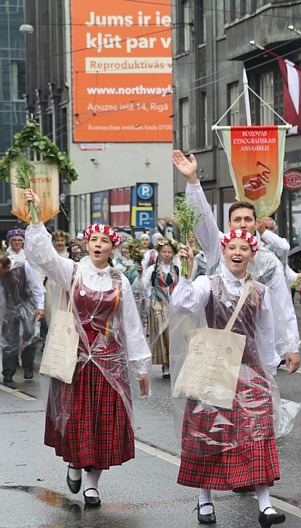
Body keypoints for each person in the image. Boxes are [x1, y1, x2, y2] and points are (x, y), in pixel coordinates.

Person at [23, 189, 151, 508]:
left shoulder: (120, 282)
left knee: (102, 425)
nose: (97, 245)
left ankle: (93, 484)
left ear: (112, 247)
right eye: (93, 240)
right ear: (86, 244)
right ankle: (74, 463)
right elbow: (42, 256)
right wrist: (38, 218)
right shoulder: (72, 271)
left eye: (104, 241)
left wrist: (141, 367)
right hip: (74, 361)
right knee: (78, 421)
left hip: (109, 364)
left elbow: (132, 326)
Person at [171, 231, 285, 527]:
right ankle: (205, 498)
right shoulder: (207, 284)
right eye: (232, 247)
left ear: (251, 255)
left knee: (257, 434)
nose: (237, 252)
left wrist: (269, 374)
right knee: (207, 436)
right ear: (223, 252)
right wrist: (185, 272)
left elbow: (266, 334)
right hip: (214, 369)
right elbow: (183, 304)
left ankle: (265, 504)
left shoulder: (259, 289)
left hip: (249, 370)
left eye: (244, 248)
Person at [172, 150, 301, 373]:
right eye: (237, 220)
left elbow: (282, 305)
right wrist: (193, 182)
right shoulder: (219, 247)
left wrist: (291, 346)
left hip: (251, 350)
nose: (242, 224)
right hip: (215, 346)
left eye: (248, 220)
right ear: (229, 225)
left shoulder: (268, 261)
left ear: (256, 224)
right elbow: (204, 221)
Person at [0, 244, 45, 383]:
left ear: (7, 266)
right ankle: (8, 371)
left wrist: (40, 306)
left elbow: (36, 287)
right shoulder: (2, 272)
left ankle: (28, 368)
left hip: (27, 304)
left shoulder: (24, 266)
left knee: (30, 335)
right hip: (9, 305)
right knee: (8, 339)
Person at [138, 238, 179, 379]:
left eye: (169, 252)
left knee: (174, 334)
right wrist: (151, 300)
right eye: (164, 252)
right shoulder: (153, 269)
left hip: (173, 305)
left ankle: (173, 362)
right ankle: (165, 365)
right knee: (162, 334)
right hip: (159, 305)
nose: (167, 254)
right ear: (159, 253)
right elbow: (145, 285)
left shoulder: (177, 269)